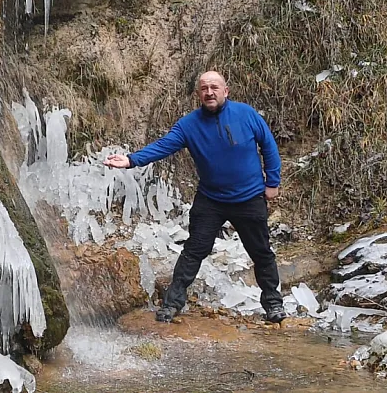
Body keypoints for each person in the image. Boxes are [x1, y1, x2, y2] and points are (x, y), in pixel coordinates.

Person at [103, 71, 287, 323]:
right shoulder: (189, 125)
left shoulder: (246, 114)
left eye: (214, 87)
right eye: (204, 88)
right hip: (211, 200)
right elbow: (163, 146)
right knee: (194, 251)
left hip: (249, 197)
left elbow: (269, 146)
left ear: (226, 91)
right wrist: (131, 160)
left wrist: (272, 182)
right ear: (198, 94)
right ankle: (172, 304)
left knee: (261, 252)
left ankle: (273, 304)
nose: (209, 92)